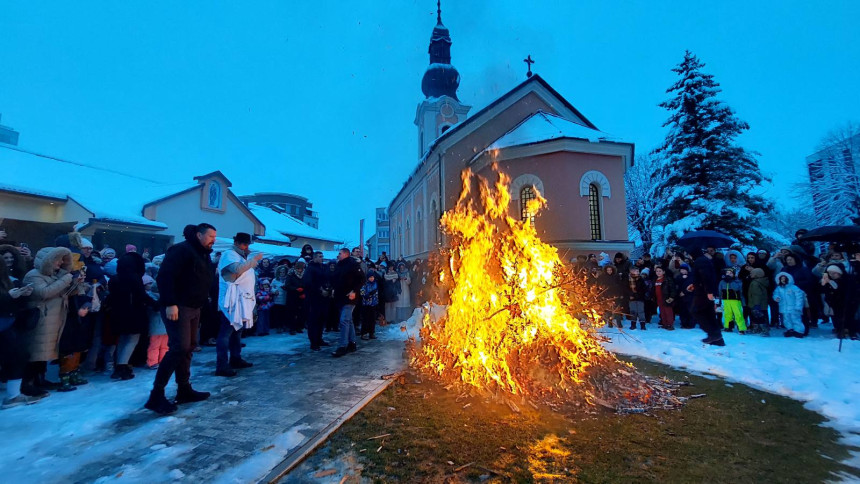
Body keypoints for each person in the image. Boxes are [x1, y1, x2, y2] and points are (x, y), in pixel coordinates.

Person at [147, 223, 217, 415]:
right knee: (179, 348)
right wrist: (170, 303)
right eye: (211, 236)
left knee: (188, 347)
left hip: (194, 307)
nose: (214, 240)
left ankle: (184, 388)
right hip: (179, 306)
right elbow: (165, 277)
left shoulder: (203, 253)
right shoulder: (181, 250)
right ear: (199, 235)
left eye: (214, 237)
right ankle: (156, 395)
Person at [23, 247, 82, 394]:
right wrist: (66, 278)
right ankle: (28, 383)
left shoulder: (54, 275)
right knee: (36, 351)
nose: (61, 262)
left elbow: (61, 293)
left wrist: (75, 283)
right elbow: (44, 293)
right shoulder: (34, 275)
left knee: (44, 352)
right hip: (41, 318)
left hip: (53, 319)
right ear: (49, 261)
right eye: (58, 259)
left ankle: (40, 379)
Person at [0, 259, 44, 408]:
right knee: (17, 356)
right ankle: (12, 395)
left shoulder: (7, 281)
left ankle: (13, 395)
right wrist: (8, 297)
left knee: (19, 356)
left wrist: (22, 295)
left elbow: (11, 305)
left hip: (8, 325)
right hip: (5, 326)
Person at [215, 232, 260, 377]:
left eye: (248, 244)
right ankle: (222, 365)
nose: (246, 247)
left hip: (243, 299)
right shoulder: (229, 254)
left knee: (237, 331)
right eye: (244, 244)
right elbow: (237, 270)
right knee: (226, 332)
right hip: (232, 299)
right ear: (237, 243)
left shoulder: (241, 256)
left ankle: (235, 358)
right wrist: (253, 260)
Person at [108, 252, 157, 381]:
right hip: (133, 313)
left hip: (117, 313)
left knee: (122, 339)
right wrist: (155, 304)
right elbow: (141, 296)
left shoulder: (114, 278)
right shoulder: (134, 278)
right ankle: (122, 366)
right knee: (132, 340)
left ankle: (118, 365)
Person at [332, 248, 364, 357]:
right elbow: (336, 279)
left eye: (340, 253)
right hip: (340, 296)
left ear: (346, 254)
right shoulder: (339, 265)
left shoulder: (353, 264)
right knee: (348, 321)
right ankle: (352, 342)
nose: (338, 255)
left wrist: (354, 291)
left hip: (350, 297)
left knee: (344, 320)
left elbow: (361, 279)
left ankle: (343, 346)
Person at [690, 248, 725, 346]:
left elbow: (706, 276)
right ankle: (718, 339)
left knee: (696, 311)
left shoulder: (700, 261)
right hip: (704, 290)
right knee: (709, 313)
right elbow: (702, 277)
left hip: (703, 293)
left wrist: (709, 291)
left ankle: (713, 334)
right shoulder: (703, 260)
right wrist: (694, 285)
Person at [305, 251, 330, 351]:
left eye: (322, 256)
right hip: (313, 298)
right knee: (313, 321)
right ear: (315, 258)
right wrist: (319, 289)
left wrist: (328, 289)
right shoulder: (310, 268)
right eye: (320, 256)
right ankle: (313, 342)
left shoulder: (323, 267)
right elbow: (308, 283)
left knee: (321, 319)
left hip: (323, 298)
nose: (322, 258)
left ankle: (319, 339)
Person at [144, 276, 168, 369]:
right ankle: (162, 360)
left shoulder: (150, 298)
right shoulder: (167, 298)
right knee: (164, 345)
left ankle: (153, 361)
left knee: (155, 345)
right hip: (165, 325)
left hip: (156, 326)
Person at [774, 272, 806, 338]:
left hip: (794, 307)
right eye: (781, 279)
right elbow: (775, 294)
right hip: (784, 307)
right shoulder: (779, 288)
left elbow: (799, 296)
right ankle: (790, 329)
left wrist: (798, 306)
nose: (783, 280)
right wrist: (776, 297)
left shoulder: (793, 287)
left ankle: (799, 331)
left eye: (784, 278)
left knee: (795, 319)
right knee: (786, 319)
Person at [718, 268, 746, 334]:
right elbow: (719, 292)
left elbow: (737, 289)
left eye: (730, 273)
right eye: (727, 273)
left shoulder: (737, 281)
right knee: (727, 314)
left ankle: (741, 329)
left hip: (735, 301)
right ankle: (728, 327)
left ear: (733, 274)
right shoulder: (722, 282)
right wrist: (719, 301)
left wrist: (730, 281)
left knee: (738, 314)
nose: (729, 274)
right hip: (726, 300)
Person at [286, 259, 308, 335]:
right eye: (298, 269)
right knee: (292, 313)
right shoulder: (291, 274)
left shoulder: (305, 275)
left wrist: (304, 292)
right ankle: (292, 328)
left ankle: (299, 327)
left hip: (302, 296)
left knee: (301, 313)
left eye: (301, 269)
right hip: (292, 296)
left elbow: (307, 284)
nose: (300, 270)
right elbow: (287, 285)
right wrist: (295, 289)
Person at [746, 268, 770, 335]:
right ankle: (758, 329)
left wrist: (756, 304)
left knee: (758, 317)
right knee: (760, 317)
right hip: (762, 303)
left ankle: (763, 330)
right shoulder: (762, 281)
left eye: (752, 273)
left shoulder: (755, 283)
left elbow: (757, 294)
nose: (750, 274)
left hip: (756, 304)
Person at [653, 266, 676, 330]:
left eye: (660, 271)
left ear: (663, 272)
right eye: (657, 271)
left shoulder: (667, 279)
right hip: (658, 299)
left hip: (667, 298)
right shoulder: (655, 279)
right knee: (662, 312)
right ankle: (664, 323)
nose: (658, 272)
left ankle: (670, 324)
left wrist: (671, 297)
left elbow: (672, 289)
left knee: (668, 312)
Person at [674, 263, 695, 329]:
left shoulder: (692, 276)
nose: (683, 271)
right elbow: (676, 286)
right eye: (681, 270)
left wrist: (685, 292)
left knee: (690, 311)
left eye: (684, 270)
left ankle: (690, 324)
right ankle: (684, 323)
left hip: (690, 296)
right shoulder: (678, 277)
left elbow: (693, 286)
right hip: (681, 297)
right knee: (682, 311)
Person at [360, 271, 379, 340]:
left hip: (373, 304)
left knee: (372, 319)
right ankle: (364, 333)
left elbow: (376, 293)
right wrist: (368, 295)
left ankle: (371, 333)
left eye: (372, 277)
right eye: (370, 277)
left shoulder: (375, 284)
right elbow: (362, 292)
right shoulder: (365, 284)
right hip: (366, 304)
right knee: (365, 319)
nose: (372, 278)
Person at [270, 266, 288, 334]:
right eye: (280, 272)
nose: (282, 273)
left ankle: (284, 325)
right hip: (277, 300)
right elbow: (271, 288)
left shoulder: (287, 279)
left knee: (284, 314)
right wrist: (274, 291)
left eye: (283, 272)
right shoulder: (275, 280)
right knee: (278, 314)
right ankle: (278, 327)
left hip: (285, 299)